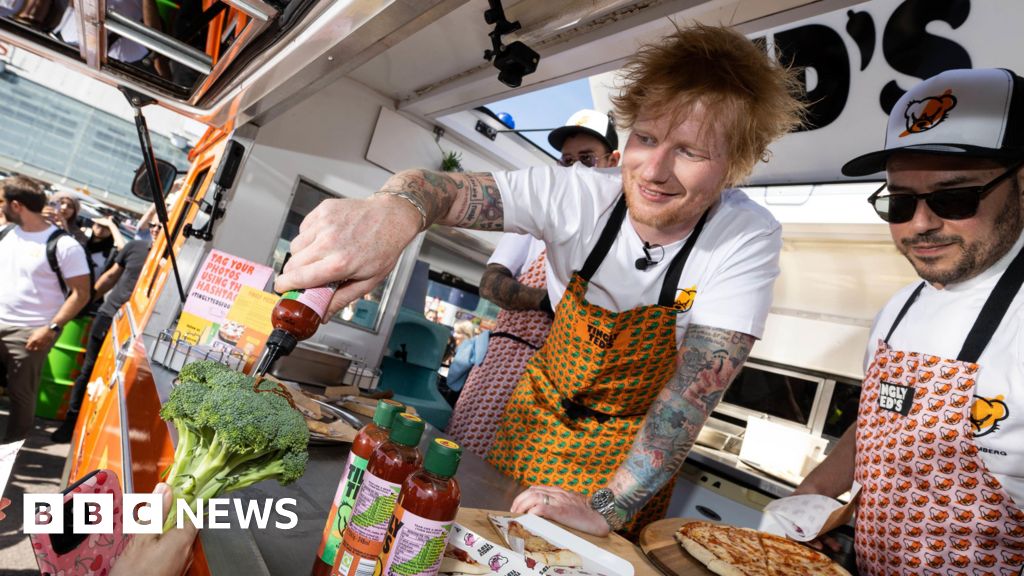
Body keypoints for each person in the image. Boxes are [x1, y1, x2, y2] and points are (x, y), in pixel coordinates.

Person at [276, 24, 804, 537]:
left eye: (689, 151)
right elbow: (436, 189)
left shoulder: (745, 238)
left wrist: (609, 506)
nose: (654, 170)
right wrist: (395, 210)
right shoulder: (578, 194)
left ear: (736, 164)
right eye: (645, 138)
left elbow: (689, 397)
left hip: (625, 452)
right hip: (534, 415)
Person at [793, 68, 1024, 574]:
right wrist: (811, 498)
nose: (920, 225)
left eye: (955, 198)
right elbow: (881, 422)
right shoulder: (899, 309)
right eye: (899, 202)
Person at [445, 109, 620, 459]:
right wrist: (550, 302)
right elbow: (491, 283)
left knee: (517, 485)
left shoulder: (619, 238)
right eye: (567, 160)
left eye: (587, 159)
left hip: (563, 383)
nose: (575, 171)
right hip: (503, 366)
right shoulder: (536, 219)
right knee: (463, 461)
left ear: (613, 161)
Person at [50, 215, 158, 443]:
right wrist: (85, 302)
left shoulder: (174, 257)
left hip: (139, 329)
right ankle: (70, 423)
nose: (156, 229)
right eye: (153, 226)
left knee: (118, 381)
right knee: (88, 370)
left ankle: (96, 432)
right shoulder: (135, 247)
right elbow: (109, 278)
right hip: (108, 315)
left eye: (160, 226)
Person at [0, 176, 91, 441]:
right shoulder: (6, 233)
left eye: (2, 202)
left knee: (20, 397)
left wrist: (51, 328)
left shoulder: (64, 246)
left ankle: (7, 456)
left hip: (29, 333)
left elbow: (81, 293)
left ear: (16, 205)